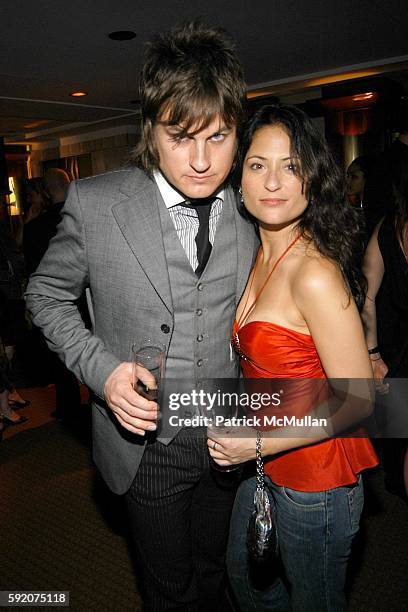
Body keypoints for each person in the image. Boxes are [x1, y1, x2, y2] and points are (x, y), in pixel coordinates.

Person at [26, 21, 257, 611]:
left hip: (229, 432)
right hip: (146, 444)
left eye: (219, 137)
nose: (202, 161)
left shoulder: (258, 209)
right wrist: (101, 371)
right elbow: (44, 295)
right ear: (150, 130)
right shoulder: (96, 204)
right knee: (167, 587)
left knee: (219, 572)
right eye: (180, 137)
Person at [206, 104, 378, 611]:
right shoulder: (261, 251)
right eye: (259, 165)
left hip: (317, 479)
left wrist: (253, 442)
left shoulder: (313, 272)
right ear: (240, 178)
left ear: (312, 179)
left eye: (291, 166)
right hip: (269, 462)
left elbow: (359, 401)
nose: (273, 182)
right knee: (246, 577)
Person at [361, 155, 408, 501]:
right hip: (397, 345)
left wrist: (374, 350)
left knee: (397, 432)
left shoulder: (385, 227)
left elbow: (367, 296)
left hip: (393, 344)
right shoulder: (386, 228)